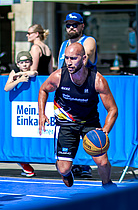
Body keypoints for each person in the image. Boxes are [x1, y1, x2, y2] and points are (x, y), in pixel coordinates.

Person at [38, 43, 118, 188]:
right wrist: (41, 114)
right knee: (64, 168)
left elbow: (113, 109)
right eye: (67, 58)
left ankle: (107, 185)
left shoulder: (97, 80)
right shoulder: (58, 76)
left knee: (103, 162)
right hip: (67, 123)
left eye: (73, 58)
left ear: (84, 58)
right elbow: (43, 90)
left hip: (90, 123)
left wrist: (106, 129)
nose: (69, 62)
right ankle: (67, 173)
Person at [58, 12, 98, 177]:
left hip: (84, 94)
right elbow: (58, 70)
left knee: (88, 133)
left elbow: (85, 58)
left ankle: (88, 166)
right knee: (67, 132)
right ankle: (69, 166)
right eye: (68, 24)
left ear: (82, 26)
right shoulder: (64, 45)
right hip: (66, 96)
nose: (71, 27)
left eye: (75, 24)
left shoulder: (88, 41)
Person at [4, 51, 37, 177]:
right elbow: (7, 88)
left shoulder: (31, 70)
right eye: (21, 62)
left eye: (27, 62)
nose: (24, 64)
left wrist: (22, 75)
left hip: (31, 108)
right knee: (16, 140)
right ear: (17, 63)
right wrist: (19, 80)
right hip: (18, 110)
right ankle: (25, 165)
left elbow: (33, 73)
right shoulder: (13, 73)